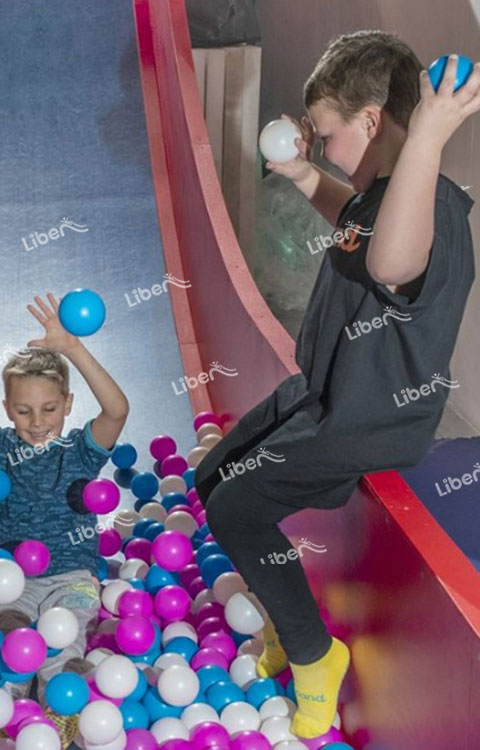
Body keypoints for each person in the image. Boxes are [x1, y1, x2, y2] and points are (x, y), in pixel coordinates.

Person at [193, 31, 478, 739]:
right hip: (323, 392)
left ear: (374, 122)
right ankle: (291, 627)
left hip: (365, 417)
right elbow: (354, 226)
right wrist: (301, 177)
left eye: (326, 135)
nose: (319, 148)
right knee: (211, 478)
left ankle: (317, 656)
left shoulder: (426, 205)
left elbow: (388, 262)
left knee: (238, 509)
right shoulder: (375, 197)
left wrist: (432, 134)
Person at [0, 280, 129, 726]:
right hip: (12, 581)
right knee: (11, 644)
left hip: (72, 577)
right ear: (6, 408)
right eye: (24, 411)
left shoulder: (81, 452)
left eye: (49, 409)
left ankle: (65, 710)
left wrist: (73, 349)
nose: (37, 422)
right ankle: (7, 718)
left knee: (62, 641)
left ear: (68, 404)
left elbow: (117, 410)